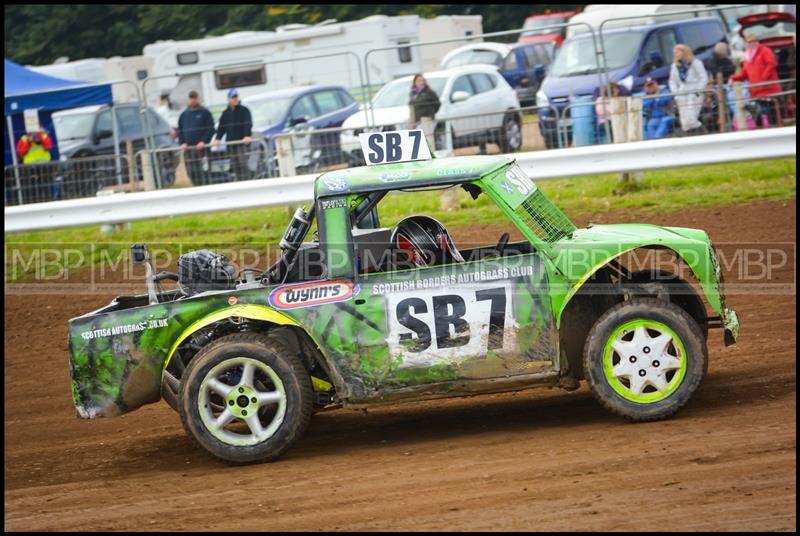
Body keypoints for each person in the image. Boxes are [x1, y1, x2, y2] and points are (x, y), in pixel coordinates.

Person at [729, 31, 782, 128]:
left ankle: (775, 128)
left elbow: (771, 64)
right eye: (749, 41)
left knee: (771, 111)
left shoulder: (765, 50)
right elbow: (744, 74)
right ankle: (761, 131)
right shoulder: (747, 56)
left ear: (757, 41)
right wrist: (733, 78)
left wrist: (763, 79)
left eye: (754, 41)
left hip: (768, 89)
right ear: (746, 43)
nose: (752, 43)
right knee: (757, 112)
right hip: (756, 91)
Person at [213, 88, 253, 181]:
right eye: (232, 97)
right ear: (229, 99)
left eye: (236, 97)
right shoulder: (225, 113)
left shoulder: (244, 110)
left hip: (242, 143)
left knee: (243, 164)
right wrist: (218, 138)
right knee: (234, 165)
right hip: (231, 144)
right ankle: (239, 183)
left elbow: (248, 123)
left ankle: (248, 182)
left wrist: (247, 135)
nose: (235, 99)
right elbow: (221, 127)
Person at [177, 90, 215, 185]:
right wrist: (182, 143)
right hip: (189, 149)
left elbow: (211, 129)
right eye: (191, 98)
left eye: (194, 98)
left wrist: (203, 141)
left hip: (202, 149)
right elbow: (180, 130)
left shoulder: (205, 112)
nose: (193, 100)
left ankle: (206, 187)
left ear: (197, 99)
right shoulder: (184, 114)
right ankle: (196, 187)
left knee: (203, 171)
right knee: (191, 171)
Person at [669, 43, 708, 135]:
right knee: (684, 122)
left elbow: (703, 77)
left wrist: (698, 90)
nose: (676, 54)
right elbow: (672, 81)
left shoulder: (695, 63)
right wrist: (676, 93)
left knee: (691, 118)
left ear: (684, 52)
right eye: (675, 52)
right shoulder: (675, 66)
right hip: (682, 92)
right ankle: (691, 138)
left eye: (678, 52)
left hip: (694, 91)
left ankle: (704, 132)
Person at [15, 129, 54, 202]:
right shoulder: (24, 139)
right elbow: (21, 152)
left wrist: (40, 137)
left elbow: (48, 147)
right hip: (29, 168)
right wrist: (29, 142)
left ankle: (48, 201)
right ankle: (32, 202)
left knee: (46, 187)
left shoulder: (44, 136)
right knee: (30, 189)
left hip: (44, 166)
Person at [408, 74, 440, 151]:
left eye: (422, 80)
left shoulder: (429, 92)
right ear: (414, 82)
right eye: (419, 80)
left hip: (426, 118)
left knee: (428, 137)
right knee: (417, 138)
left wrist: (430, 113)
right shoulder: (413, 93)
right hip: (415, 119)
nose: (421, 82)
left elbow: (437, 104)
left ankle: (432, 152)